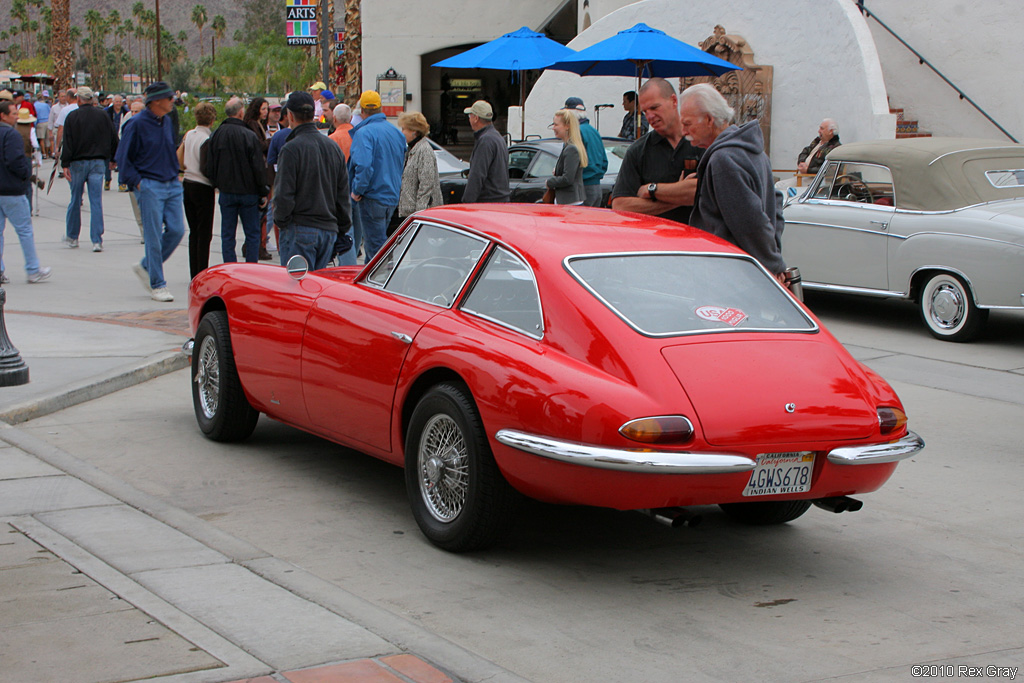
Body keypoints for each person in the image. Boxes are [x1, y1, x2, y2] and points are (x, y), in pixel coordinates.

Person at [680, 83, 786, 279]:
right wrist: (774, 256)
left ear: (709, 120)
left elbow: (752, 222)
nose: (683, 131)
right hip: (750, 271)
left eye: (687, 123)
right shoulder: (754, 151)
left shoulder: (724, 159)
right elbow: (776, 206)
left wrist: (773, 266)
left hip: (733, 274)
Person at [116, 81, 185, 303]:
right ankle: (157, 284)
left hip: (171, 183)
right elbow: (123, 157)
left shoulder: (166, 120)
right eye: (169, 98)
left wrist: (176, 173)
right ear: (156, 101)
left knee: (176, 230)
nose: (172, 101)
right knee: (153, 236)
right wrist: (138, 183)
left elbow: (169, 148)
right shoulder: (135, 124)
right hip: (149, 185)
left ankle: (146, 266)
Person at [273, 91, 351, 270]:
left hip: (301, 227)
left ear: (290, 116)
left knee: (296, 290)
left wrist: (282, 222)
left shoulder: (291, 149)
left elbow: (284, 195)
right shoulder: (333, 147)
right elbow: (342, 193)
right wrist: (341, 227)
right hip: (328, 230)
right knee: (315, 290)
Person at [610, 78, 702, 225]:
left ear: (673, 101)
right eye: (645, 111)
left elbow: (703, 191)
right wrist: (678, 197)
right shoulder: (638, 150)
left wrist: (652, 190)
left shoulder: (701, 142)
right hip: (655, 242)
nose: (650, 116)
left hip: (700, 241)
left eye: (654, 108)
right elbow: (620, 205)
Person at [203, 96, 268, 264]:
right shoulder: (248, 135)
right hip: (248, 192)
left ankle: (230, 267)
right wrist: (263, 191)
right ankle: (251, 268)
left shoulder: (217, 135)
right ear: (241, 113)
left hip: (227, 191)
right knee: (252, 233)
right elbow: (258, 166)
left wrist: (217, 183)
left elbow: (209, 164)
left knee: (227, 234)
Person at [347, 90, 405, 261]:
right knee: (378, 245)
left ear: (362, 111)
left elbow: (364, 166)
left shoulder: (364, 133)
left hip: (372, 196)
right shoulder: (396, 133)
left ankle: (382, 280)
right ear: (381, 108)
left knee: (376, 250)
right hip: (391, 196)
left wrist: (357, 190)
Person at [61, 87, 118, 251]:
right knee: (96, 201)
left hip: (78, 162)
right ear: (92, 99)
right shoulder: (102, 116)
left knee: (75, 199)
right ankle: (97, 239)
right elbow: (113, 137)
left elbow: (68, 142)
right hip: (98, 161)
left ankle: (72, 236)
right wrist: (113, 158)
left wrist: (65, 164)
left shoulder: (72, 117)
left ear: (78, 99)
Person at [0, 101, 50, 284]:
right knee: (25, 230)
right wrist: (26, 173)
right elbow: (14, 160)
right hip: (12, 189)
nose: (16, 117)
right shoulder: (11, 134)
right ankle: (33, 269)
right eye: (13, 113)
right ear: (3, 116)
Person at [179, 101, 216, 278]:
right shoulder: (207, 139)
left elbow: (179, 156)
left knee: (194, 231)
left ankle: (193, 269)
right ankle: (202, 269)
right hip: (202, 185)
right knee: (204, 232)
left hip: (187, 181)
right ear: (212, 120)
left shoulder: (189, 135)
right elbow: (205, 166)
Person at [396, 111, 442, 229]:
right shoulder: (412, 150)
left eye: (404, 129)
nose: (402, 132)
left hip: (420, 215)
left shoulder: (424, 150)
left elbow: (427, 184)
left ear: (414, 131)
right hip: (410, 213)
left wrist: (420, 213)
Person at [242, 97, 273, 260]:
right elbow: (259, 145)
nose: (266, 112)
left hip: (262, 167)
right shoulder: (253, 125)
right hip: (260, 170)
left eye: (267, 109)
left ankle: (256, 244)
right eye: (263, 109)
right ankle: (253, 246)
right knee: (261, 214)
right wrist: (270, 141)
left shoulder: (259, 124)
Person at [462, 100, 509, 204]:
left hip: (488, 202)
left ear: (476, 118)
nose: (469, 119)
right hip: (500, 200)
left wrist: (467, 203)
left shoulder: (485, 141)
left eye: (470, 116)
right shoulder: (497, 137)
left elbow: (477, 175)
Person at [563, 97, 607, 207]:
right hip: (596, 187)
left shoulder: (576, 132)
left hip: (583, 187)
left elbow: (571, 164)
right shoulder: (594, 131)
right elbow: (604, 161)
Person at [545, 109, 587, 205]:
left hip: (570, 202)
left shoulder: (571, 148)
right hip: (569, 200)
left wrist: (550, 182)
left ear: (567, 126)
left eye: (556, 125)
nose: (553, 128)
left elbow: (568, 178)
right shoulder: (569, 146)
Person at [102, 94, 128, 190]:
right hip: (109, 139)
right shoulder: (106, 112)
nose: (118, 103)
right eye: (116, 101)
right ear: (112, 102)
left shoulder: (126, 112)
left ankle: (122, 183)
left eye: (120, 102)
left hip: (121, 138)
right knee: (108, 161)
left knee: (121, 160)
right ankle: (107, 179)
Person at [34, 92, 51, 159]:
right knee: (47, 139)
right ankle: (47, 153)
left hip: (40, 122)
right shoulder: (46, 105)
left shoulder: (35, 105)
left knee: (41, 139)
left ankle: (43, 153)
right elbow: (50, 112)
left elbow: (36, 115)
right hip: (47, 121)